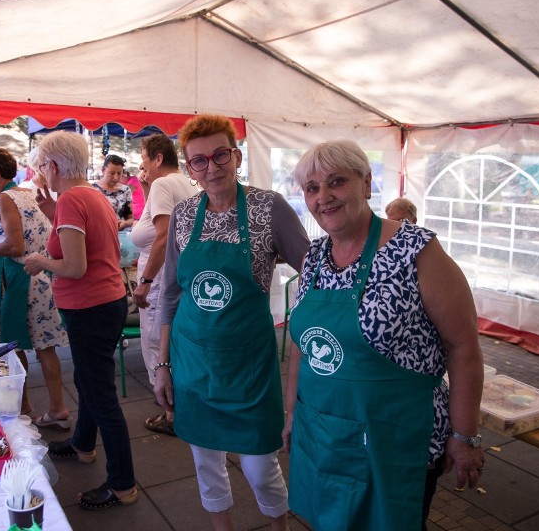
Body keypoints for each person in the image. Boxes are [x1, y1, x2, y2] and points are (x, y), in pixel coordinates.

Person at [282, 140, 485, 530]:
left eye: (336, 182)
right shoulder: (314, 257)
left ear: (367, 183)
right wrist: (292, 415)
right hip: (324, 432)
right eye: (311, 188)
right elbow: (299, 347)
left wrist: (465, 435)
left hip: (393, 435)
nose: (324, 197)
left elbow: (464, 347)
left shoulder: (416, 251)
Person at [153, 114, 309, 531]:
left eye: (220, 154)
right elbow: (171, 293)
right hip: (192, 363)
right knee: (206, 465)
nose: (212, 167)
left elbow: (313, 274)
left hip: (248, 367)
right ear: (189, 168)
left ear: (236, 156)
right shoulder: (184, 215)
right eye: (199, 161)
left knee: (260, 468)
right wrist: (162, 364)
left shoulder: (268, 207)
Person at [23, 131, 137, 511]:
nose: (41, 172)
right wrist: (53, 215)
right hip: (106, 302)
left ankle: (122, 484)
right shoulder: (88, 195)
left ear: (53, 166)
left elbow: (73, 266)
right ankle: (83, 445)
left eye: (42, 165)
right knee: (89, 379)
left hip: (91, 308)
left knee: (101, 394)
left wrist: (40, 262)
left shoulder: (72, 199)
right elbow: (85, 242)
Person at [0, 147, 71, 428]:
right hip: (39, 278)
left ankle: (24, 407)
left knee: (14, 346)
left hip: (23, 278)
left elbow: (15, 245)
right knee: (45, 347)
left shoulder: (5, 197)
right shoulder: (25, 194)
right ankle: (58, 408)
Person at [130, 135, 197, 437]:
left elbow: (162, 236)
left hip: (159, 278)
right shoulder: (185, 182)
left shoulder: (163, 184)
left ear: (157, 158)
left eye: (144, 158)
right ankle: (179, 407)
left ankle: (171, 413)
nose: (142, 165)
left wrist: (144, 282)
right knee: (173, 343)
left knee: (157, 345)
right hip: (179, 273)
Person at [92, 154, 134, 229]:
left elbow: (130, 219)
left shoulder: (125, 191)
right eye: (112, 173)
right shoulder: (92, 189)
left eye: (119, 173)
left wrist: (124, 223)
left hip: (118, 234)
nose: (116, 178)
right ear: (103, 171)